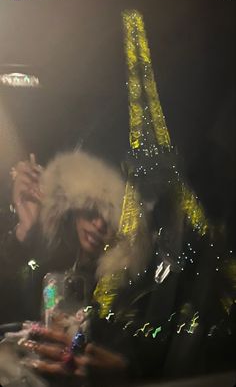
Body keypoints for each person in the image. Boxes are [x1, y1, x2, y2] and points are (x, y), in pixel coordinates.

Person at [2, 150, 169, 386]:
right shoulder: (41, 266)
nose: (99, 224)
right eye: (91, 209)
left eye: (111, 219)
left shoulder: (129, 289)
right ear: (72, 207)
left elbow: (150, 350)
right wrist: (23, 234)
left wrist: (125, 372)